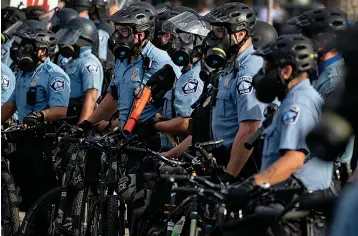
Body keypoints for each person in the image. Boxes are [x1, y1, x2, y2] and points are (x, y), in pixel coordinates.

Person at [78, 4, 181, 146]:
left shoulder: (162, 60)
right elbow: (113, 96)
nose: (117, 36)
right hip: (126, 137)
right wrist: (88, 123)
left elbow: (176, 106)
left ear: (141, 34)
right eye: (117, 30)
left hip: (152, 140)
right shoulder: (122, 59)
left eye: (124, 31)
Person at [248, 34, 334, 194]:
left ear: (286, 71)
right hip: (290, 196)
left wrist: (251, 184)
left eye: (267, 68)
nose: (262, 74)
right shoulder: (294, 98)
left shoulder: (299, 104)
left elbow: (294, 159)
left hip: (298, 202)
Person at [1, 20, 70, 210]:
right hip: (23, 138)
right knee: (25, 189)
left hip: (44, 141)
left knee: (43, 194)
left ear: (43, 51)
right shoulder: (23, 73)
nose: (22, 50)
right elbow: (10, 105)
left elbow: (61, 110)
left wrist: (40, 115)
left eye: (27, 47)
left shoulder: (54, 75)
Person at [288, 8, 353, 187]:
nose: (301, 42)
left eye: (307, 36)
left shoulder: (334, 79)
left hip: (327, 174)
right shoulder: (320, 71)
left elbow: (339, 144)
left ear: (323, 41)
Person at [200, 2, 265, 180]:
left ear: (241, 34)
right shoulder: (232, 66)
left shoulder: (248, 71)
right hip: (225, 159)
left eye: (220, 32)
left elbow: (249, 130)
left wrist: (230, 176)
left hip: (244, 167)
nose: (214, 37)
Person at [153, 11, 210, 150]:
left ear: (199, 41)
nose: (176, 43)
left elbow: (186, 123)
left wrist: (153, 125)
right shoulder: (188, 71)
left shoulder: (193, 76)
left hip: (183, 154)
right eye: (176, 37)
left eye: (185, 38)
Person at [55, 17, 104, 124]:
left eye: (69, 35)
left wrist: (80, 128)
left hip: (77, 117)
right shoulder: (73, 61)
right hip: (66, 118)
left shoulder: (89, 63)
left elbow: (91, 96)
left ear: (80, 39)